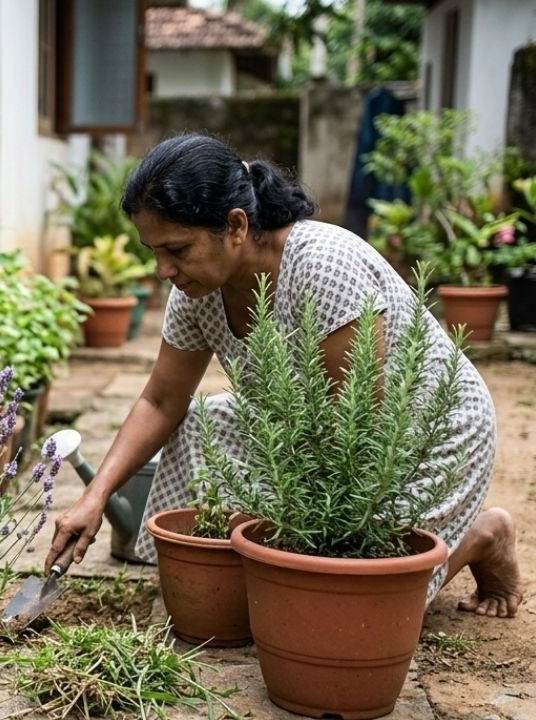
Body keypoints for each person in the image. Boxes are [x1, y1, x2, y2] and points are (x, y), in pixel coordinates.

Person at [45, 133, 523, 618]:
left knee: (358, 608)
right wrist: (95, 497)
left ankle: (483, 536)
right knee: (199, 424)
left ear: (235, 226)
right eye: (154, 252)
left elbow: (357, 435)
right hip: (308, 431)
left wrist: (290, 533)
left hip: (418, 434)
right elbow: (160, 402)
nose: (163, 269)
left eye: (177, 249)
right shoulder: (196, 290)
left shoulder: (324, 266)